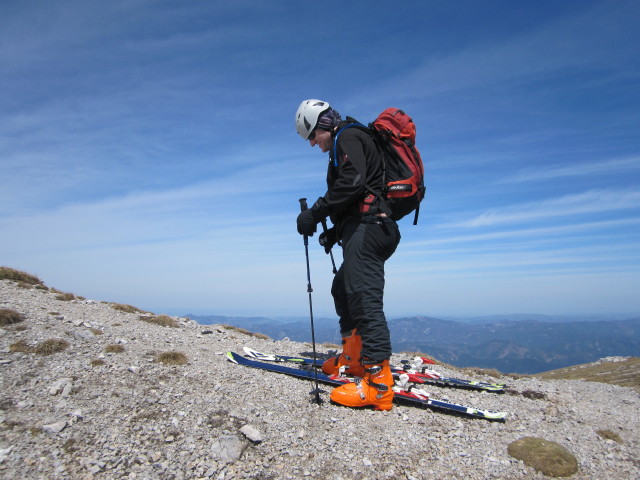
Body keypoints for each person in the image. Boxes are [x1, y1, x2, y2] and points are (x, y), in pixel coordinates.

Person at [294, 99, 401, 411]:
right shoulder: (347, 139)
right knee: (342, 288)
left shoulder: (349, 137)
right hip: (364, 228)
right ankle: (353, 360)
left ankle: (378, 385)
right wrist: (335, 233)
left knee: (364, 299)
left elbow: (352, 183)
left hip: (371, 229)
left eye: (312, 136)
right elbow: (359, 191)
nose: (313, 143)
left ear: (323, 125)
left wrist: (314, 213)